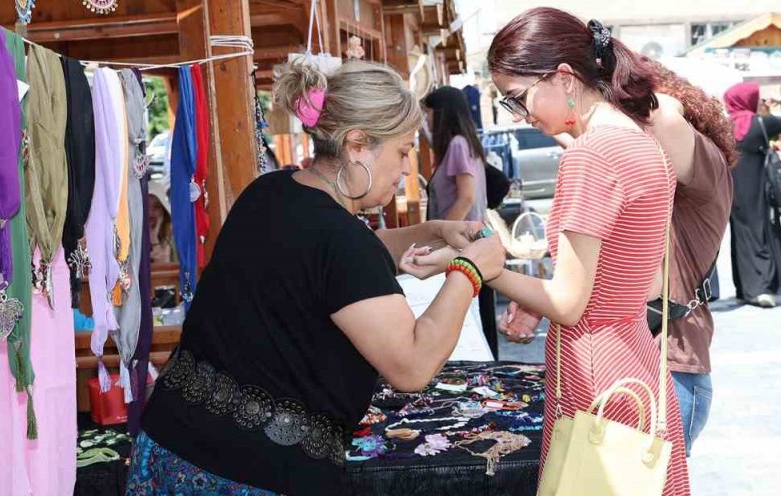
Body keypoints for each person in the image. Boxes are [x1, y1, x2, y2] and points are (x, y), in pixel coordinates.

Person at [130, 59, 506, 495]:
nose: (406, 169)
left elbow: (327, 265)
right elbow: (412, 365)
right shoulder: (341, 240)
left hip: (167, 446)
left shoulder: (269, 192)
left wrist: (432, 231)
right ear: (357, 144)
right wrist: (470, 272)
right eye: (402, 152)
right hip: (245, 474)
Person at [482, 7, 691, 494]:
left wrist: (481, 268)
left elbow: (570, 304)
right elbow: (630, 274)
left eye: (518, 98)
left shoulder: (590, 155)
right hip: (636, 357)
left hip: (594, 367)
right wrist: (537, 295)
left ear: (563, 77)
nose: (523, 115)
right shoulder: (641, 142)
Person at [499, 67, 735, 455]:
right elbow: (600, 270)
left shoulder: (690, 159)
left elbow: (659, 116)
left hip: (667, 367)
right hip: (643, 363)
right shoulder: (638, 155)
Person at [422, 85, 498, 359]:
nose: (427, 120)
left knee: (470, 327)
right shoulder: (467, 144)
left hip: (462, 247)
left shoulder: (456, 144)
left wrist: (438, 237)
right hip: (473, 245)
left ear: (441, 114)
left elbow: (465, 198)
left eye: (428, 113)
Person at [724, 83, 781, 308]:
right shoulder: (760, 124)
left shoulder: (724, 127)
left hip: (732, 191)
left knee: (741, 236)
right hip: (757, 189)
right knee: (761, 233)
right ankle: (762, 288)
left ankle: (744, 288)